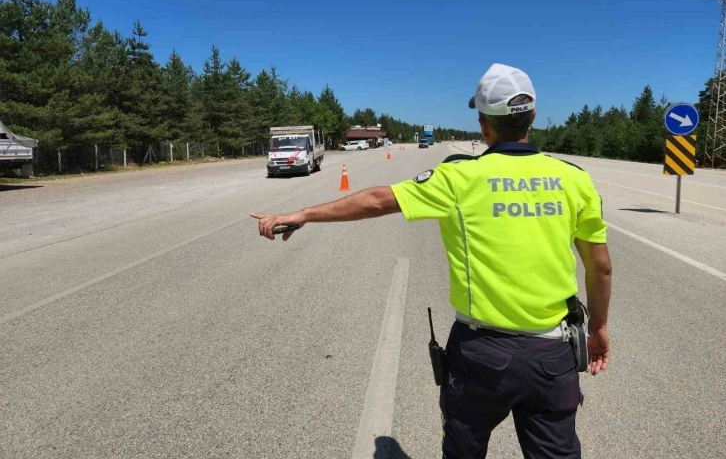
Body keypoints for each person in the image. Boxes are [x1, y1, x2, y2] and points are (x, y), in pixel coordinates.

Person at [251, 63, 612, 459]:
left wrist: (302, 214)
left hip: (481, 354)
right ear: (532, 117)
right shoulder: (573, 179)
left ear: (483, 124)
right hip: (553, 353)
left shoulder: (459, 178)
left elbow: (376, 201)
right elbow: (600, 267)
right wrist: (599, 327)